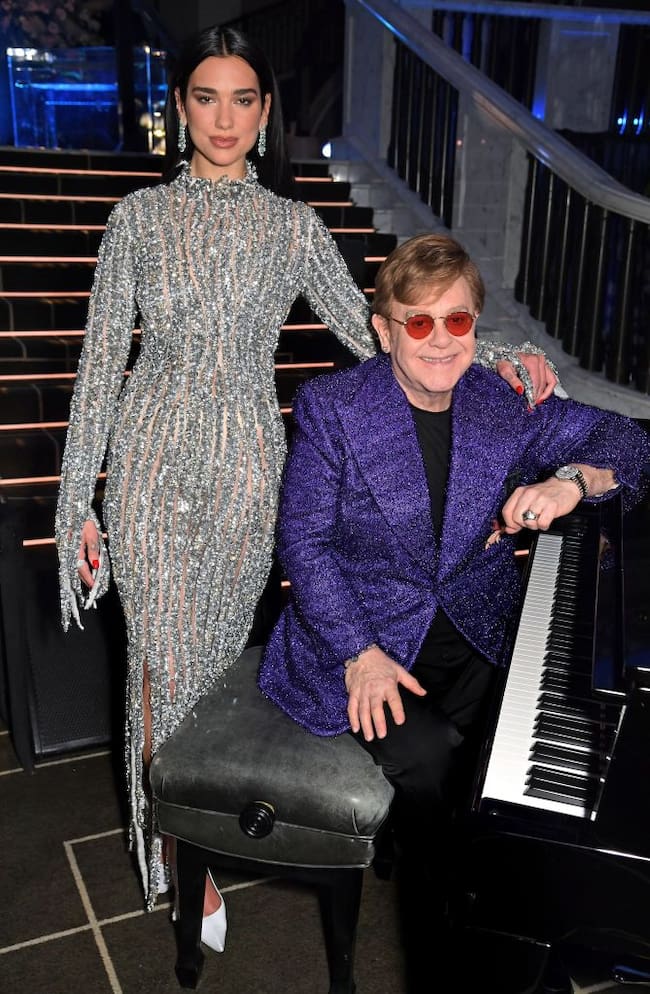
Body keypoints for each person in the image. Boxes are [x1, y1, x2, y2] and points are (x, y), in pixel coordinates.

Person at [55, 25, 559, 949]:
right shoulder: (136, 219)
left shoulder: (291, 226)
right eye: (205, 97)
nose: (224, 117)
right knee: (160, 669)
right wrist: (76, 501)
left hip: (248, 466)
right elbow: (96, 372)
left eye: (243, 99)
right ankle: (171, 856)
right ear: (180, 107)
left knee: (212, 667)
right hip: (153, 461)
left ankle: (201, 819)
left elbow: (376, 330)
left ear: (264, 112)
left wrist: (483, 351)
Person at [257, 233, 650, 987]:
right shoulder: (332, 407)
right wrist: (359, 654)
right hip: (363, 641)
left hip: (477, 629)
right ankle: (452, 922)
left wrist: (573, 479)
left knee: (524, 750)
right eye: (419, 321)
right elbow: (304, 544)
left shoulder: (500, 403)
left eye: (458, 321)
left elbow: (626, 438)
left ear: (476, 324)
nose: (440, 340)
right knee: (435, 763)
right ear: (384, 328)